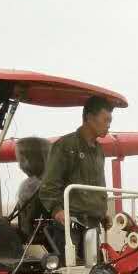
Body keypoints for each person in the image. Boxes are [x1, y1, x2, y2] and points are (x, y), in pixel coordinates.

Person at [38, 95, 115, 258]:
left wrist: (102, 213)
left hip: (92, 225)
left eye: (110, 121)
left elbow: (97, 185)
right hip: (70, 225)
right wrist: (57, 210)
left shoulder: (99, 151)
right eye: (105, 120)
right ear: (89, 117)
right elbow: (49, 186)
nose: (109, 125)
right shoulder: (65, 146)